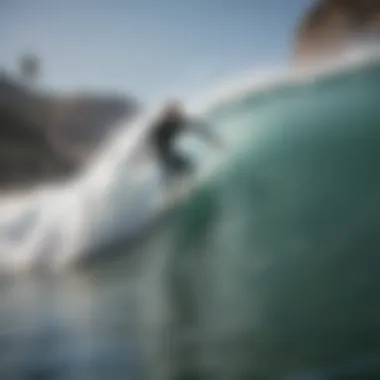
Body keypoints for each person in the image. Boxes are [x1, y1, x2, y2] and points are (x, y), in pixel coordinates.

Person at [149, 100, 223, 188]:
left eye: (177, 114)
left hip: (169, 152)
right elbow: (149, 142)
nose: (177, 116)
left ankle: (188, 187)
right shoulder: (160, 127)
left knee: (188, 167)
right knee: (173, 171)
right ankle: (173, 191)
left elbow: (199, 128)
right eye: (172, 115)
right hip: (162, 155)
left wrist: (213, 139)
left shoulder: (180, 122)